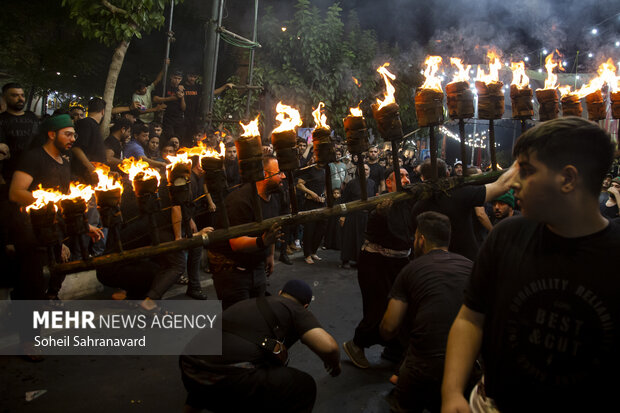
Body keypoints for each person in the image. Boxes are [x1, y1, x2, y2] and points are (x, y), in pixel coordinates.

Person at [441, 117, 620, 413]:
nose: (512, 182)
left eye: (526, 170)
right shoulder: (506, 236)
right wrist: (451, 392)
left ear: (567, 179)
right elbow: (470, 319)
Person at [180, 279, 341, 413]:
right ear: (305, 305)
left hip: (189, 366)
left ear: (280, 293)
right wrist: (334, 365)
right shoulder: (296, 309)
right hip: (229, 379)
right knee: (305, 386)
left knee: (217, 358)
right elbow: (329, 347)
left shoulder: (252, 302)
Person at [380, 211, 472, 413]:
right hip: (469, 364)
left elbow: (389, 327)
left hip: (424, 366)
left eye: (415, 237)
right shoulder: (471, 267)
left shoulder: (411, 269)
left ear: (421, 240)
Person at [342, 167, 412, 369]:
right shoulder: (382, 204)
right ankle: (356, 345)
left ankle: (395, 348)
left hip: (398, 264)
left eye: (408, 176)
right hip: (376, 262)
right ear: (389, 183)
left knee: (402, 308)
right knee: (379, 308)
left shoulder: (408, 200)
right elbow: (373, 227)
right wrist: (381, 213)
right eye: (401, 176)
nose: (407, 180)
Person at [209, 155, 284, 310]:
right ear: (264, 174)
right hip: (232, 272)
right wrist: (262, 242)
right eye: (279, 172)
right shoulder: (240, 201)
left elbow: (272, 230)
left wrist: (269, 255)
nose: (283, 176)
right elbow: (235, 243)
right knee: (238, 321)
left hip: (256, 268)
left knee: (259, 316)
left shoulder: (273, 199)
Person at [410, 158, 516, 261]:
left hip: (433, 264)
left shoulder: (418, 207)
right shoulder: (463, 193)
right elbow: (501, 186)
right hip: (466, 260)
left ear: (422, 178)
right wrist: (518, 165)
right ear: (447, 174)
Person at [0, 83, 40, 185]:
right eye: (14, 95)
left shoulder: (32, 118)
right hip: (9, 175)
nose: (20, 98)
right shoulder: (2, 120)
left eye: (22, 95)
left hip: (33, 172)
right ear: (4, 97)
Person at [339, 163, 376, 268]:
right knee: (349, 238)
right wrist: (343, 216)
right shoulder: (351, 183)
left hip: (366, 216)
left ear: (369, 171)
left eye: (367, 169)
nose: (365, 171)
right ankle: (345, 261)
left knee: (362, 240)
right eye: (362, 169)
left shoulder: (372, 183)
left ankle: (359, 261)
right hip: (352, 215)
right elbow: (344, 200)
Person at [297, 160, 327, 264]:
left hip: (322, 203)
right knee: (310, 229)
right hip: (310, 203)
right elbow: (299, 184)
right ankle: (307, 254)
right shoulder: (310, 170)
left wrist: (324, 195)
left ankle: (314, 251)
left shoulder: (325, 170)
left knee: (321, 228)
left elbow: (326, 185)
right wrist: (312, 194)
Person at [72, 97, 107, 184]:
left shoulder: (94, 125)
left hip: (96, 175)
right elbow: (76, 148)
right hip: (84, 177)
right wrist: (90, 168)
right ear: (103, 111)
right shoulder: (86, 124)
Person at [153, 70, 186, 144]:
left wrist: (182, 97)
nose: (176, 80)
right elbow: (155, 99)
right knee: (168, 138)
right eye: (175, 78)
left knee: (178, 139)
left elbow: (183, 108)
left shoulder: (181, 89)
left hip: (178, 118)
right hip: (166, 117)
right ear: (171, 77)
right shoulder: (164, 86)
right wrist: (170, 99)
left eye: (179, 79)